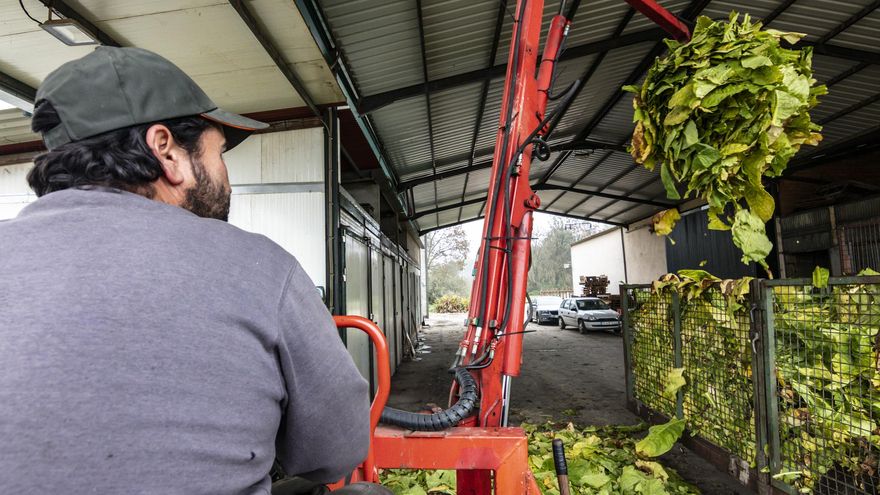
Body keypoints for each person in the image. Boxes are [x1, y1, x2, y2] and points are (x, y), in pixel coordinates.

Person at [0, 46, 389, 495]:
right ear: (166, 151)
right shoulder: (260, 265)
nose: (224, 173)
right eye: (218, 153)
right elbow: (336, 451)